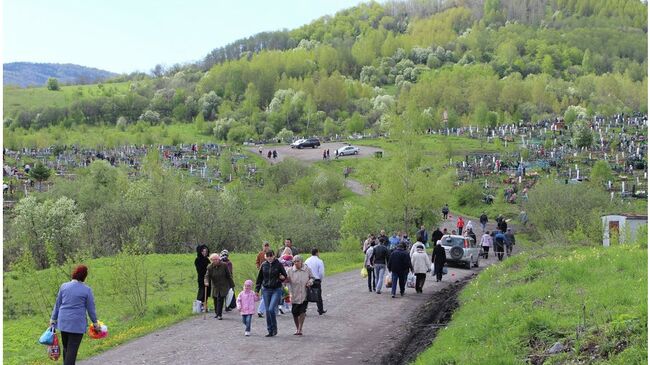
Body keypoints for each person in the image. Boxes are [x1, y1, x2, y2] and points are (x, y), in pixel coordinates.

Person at [50, 265, 100, 365]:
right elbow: (91, 309)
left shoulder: (64, 286)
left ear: (74, 273)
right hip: (76, 324)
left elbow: (58, 304)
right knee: (71, 352)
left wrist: (53, 319)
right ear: (84, 276)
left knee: (66, 349)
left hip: (63, 323)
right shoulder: (87, 290)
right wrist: (95, 323)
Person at [255, 250, 288, 337]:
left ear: (274, 256)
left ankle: (274, 328)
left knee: (271, 309)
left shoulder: (279, 264)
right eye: (268, 256)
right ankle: (270, 330)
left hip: (276, 289)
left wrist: (281, 278)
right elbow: (259, 279)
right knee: (267, 311)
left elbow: (285, 276)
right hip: (266, 290)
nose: (269, 258)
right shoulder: (264, 265)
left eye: (271, 256)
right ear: (266, 256)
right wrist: (256, 290)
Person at [285, 255, 314, 336]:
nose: (296, 263)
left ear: (301, 261)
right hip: (294, 294)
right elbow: (285, 280)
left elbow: (312, 277)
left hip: (304, 294)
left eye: (298, 261)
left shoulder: (307, 269)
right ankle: (297, 327)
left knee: (302, 311)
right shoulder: (290, 270)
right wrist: (284, 279)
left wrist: (310, 282)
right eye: (294, 261)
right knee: (294, 313)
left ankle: (300, 328)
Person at [204, 253, 235, 320]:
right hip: (215, 286)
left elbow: (228, 276)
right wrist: (206, 282)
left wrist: (232, 285)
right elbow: (207, 276)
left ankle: (219, 314)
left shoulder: (224, 265)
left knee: (220, 299)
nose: (216, 261)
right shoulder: (210, 267)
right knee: (215, 299)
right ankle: (216, 313)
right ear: (211, 260)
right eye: (214, 260)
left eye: (217, 259)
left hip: (223, 285)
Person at [304, 248, 326, 315]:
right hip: (316, 279)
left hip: (308, 279)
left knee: (306, 295)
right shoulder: (319, 261)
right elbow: (321, 272)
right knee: (318, 295)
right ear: (317, 253)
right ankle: (320, 310)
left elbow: (304, 269)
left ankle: (304, 310)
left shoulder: (307, 260)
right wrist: (320, 279)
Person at [255, 242, 270, 317]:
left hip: (270, 274)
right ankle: (262, 307)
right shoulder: (260, 254)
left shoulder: (271, 254)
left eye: (267, 246)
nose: (266, 247)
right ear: (263, 247)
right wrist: (259, 267)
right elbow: (257, 262)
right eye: (265, 246)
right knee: (263, 288)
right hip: (262, 273)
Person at [194, 245, 210, 310]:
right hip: (201, 278)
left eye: (206, 251)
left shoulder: (207, 259)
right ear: (200, 252)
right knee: (202, 291)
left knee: (207, 292)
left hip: (208, 278)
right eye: (203, 251)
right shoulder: (197, 260)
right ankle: (198, 307)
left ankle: (204, 306)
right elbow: (200, 270)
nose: (205, 253)